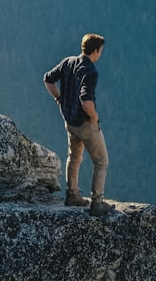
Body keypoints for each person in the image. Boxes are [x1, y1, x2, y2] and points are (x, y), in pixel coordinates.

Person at [43, 33, 112, 216]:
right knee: (102, 161)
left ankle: (72, 194)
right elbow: (86, 100)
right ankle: (97, 203)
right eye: (100, 51)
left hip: (70, 121)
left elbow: (48, 79)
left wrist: (58, 97)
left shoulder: (68, 62)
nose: (100, 55)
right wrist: (94, 116)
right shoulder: (90, 71)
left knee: (74, 157)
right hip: (85, 124)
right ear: (95, 51)